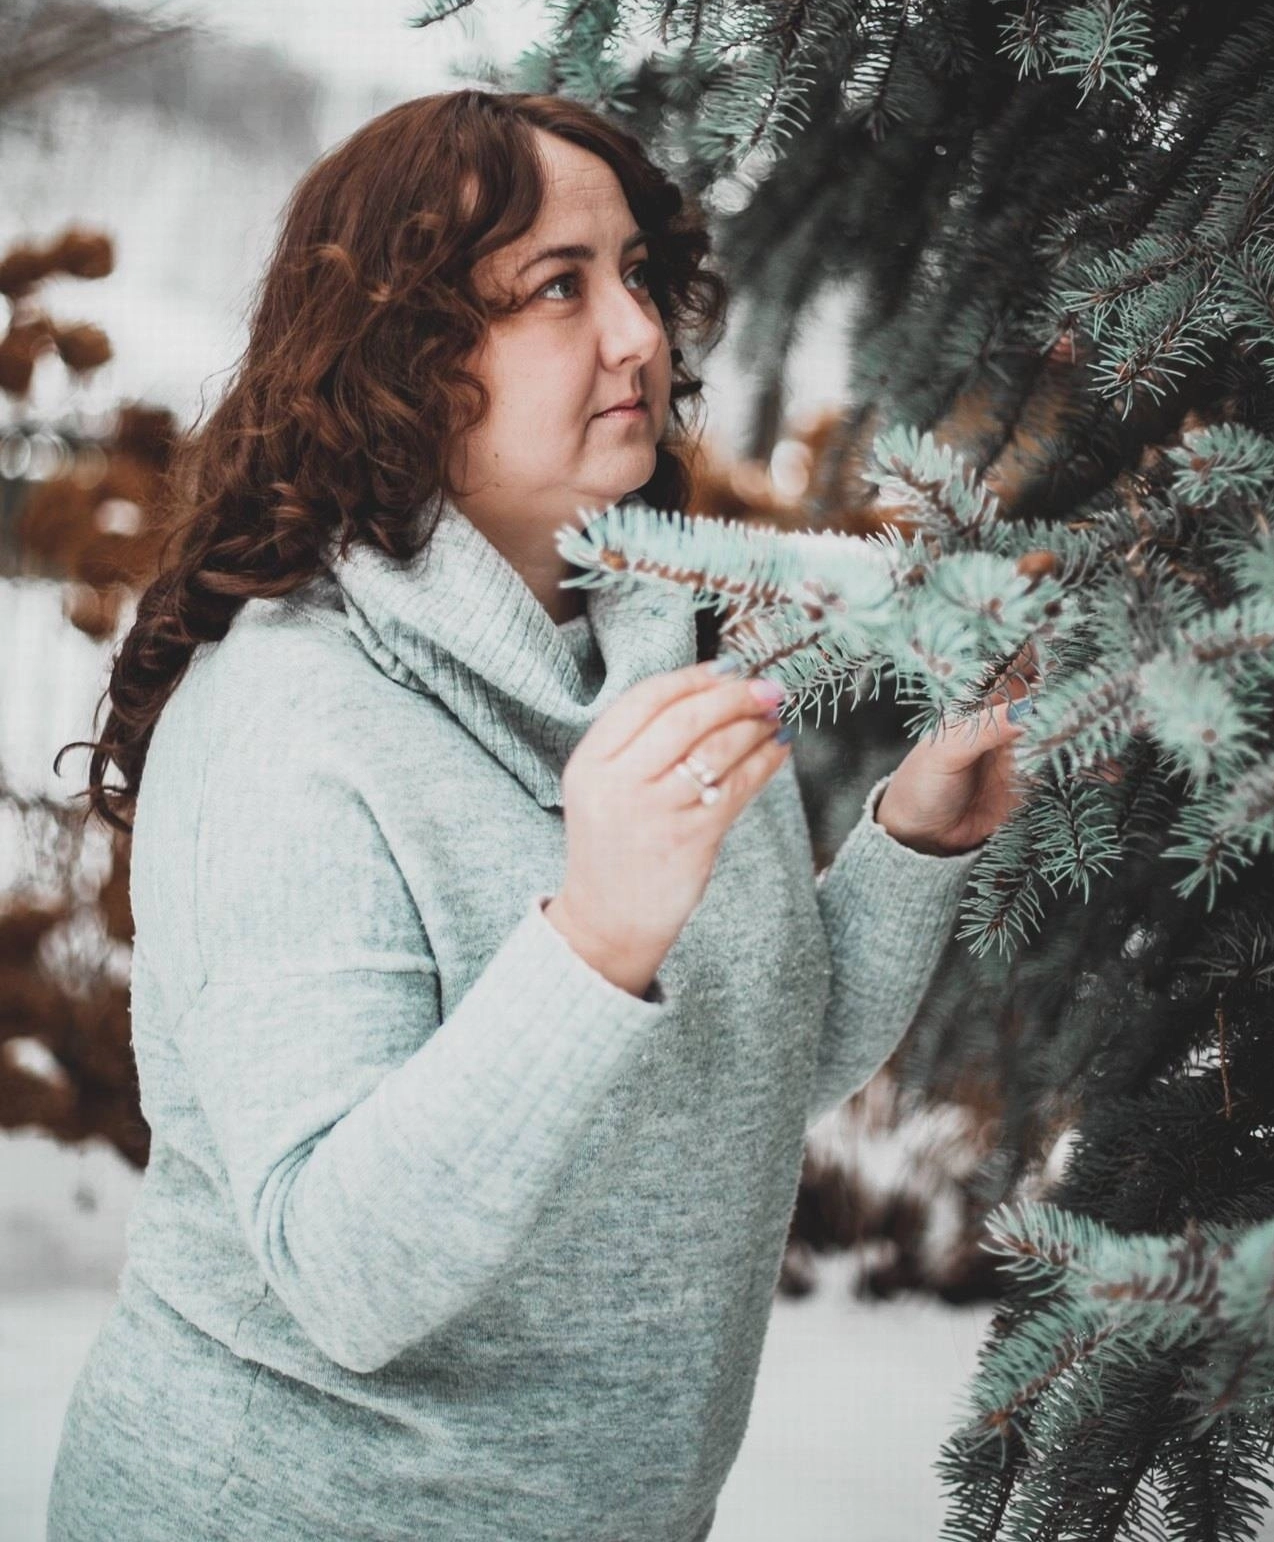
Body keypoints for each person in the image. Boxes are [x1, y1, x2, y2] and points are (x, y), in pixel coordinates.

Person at [46, 89, 997, 1542]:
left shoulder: (653, 647)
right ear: (403, 355)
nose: (637, 334)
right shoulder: (290, 719)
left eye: (637, 274)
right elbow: (344, 1275)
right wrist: (594, 941)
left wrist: (918, 840)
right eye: (559, 286)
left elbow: (732, 1079)